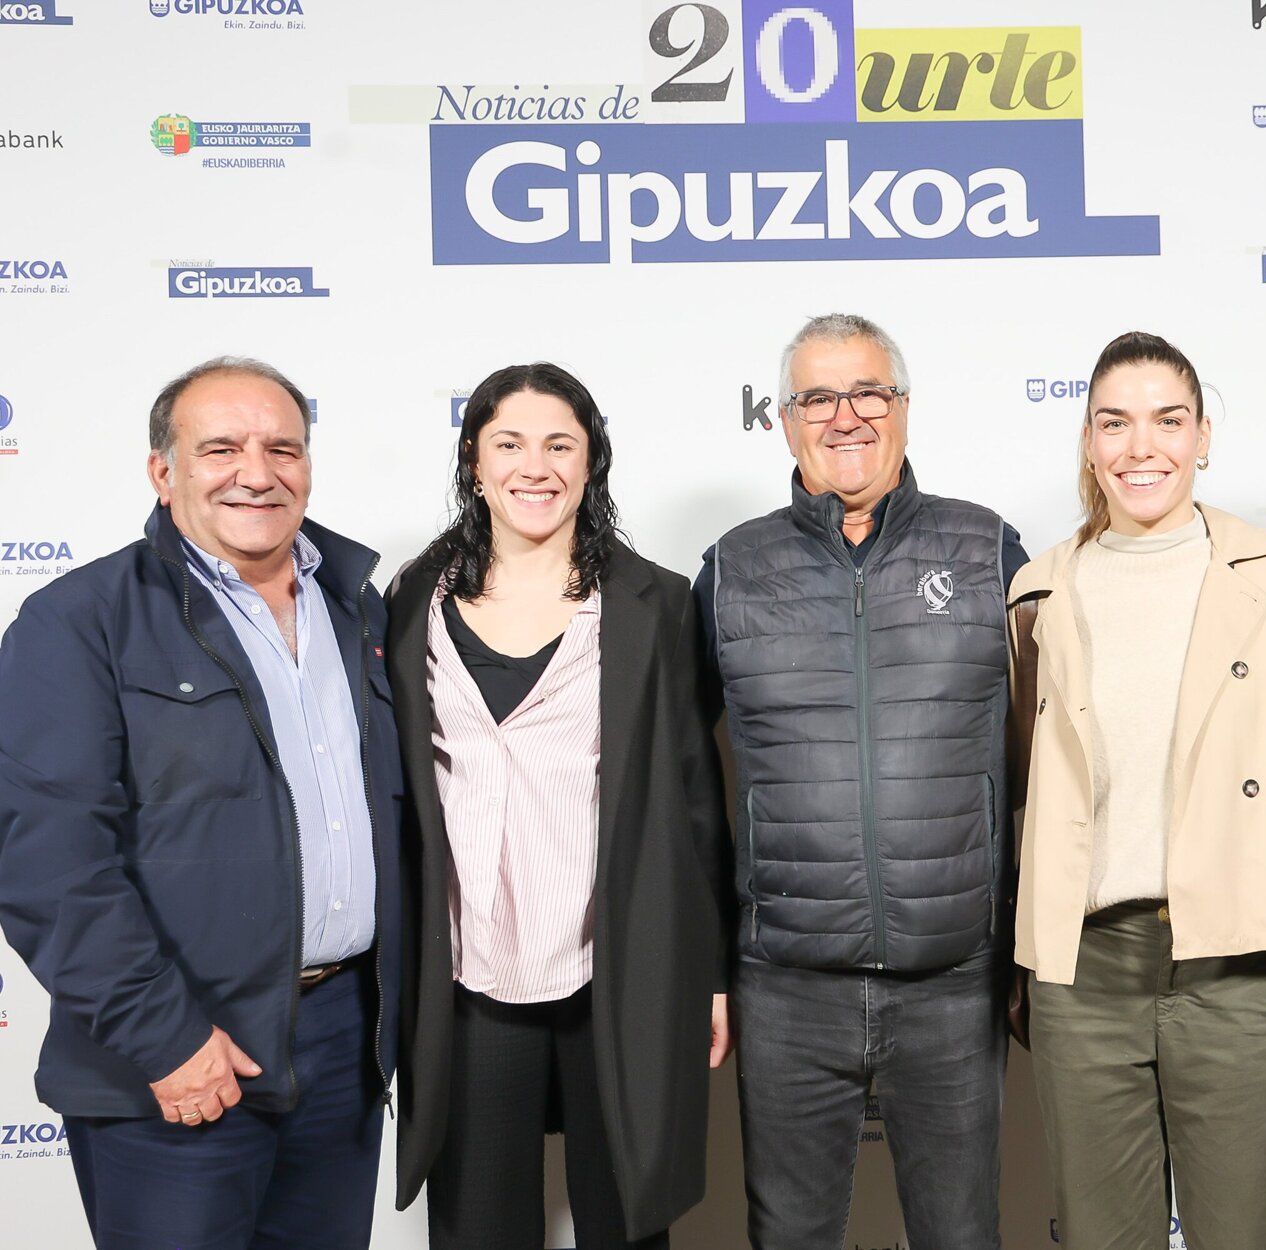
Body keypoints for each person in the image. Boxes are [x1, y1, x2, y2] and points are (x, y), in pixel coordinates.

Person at [0, 357, 402, 1249]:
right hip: (175, 1057)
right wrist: (166, 1041)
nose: (256, 473)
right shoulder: (77, 620)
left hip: (340, 1042)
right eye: (219, 448)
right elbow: (50, 863)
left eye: (281, 448)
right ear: (162, 470)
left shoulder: (356, 609)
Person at [1006, 331, 1266, 1250]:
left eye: (1168, 421)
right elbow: (1021, 768)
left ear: (1204, 435)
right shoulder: (1037, 593)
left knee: (1242, 1235)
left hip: (1234, 959)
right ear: (1087, 442)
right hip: (1084, 971)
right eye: (1115, 423)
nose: (1142, 448)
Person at [693, 313, 1028, 1249]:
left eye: (868, 392)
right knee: (791, 1237)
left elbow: (1050, 762)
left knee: (960, 1236)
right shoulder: (730, 570)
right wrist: (703, 967)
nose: (845, 416)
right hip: (787, 988)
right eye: (816, 397)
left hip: (954, 981)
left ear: (904, 409)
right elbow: (679, 783)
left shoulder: (988, 551)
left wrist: (1025, 953)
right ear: (784, 420)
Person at [386, 362, 731, 1250]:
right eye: (508, 443)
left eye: (558, 445)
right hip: (466, 977)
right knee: (478, 1227)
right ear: (473, 460)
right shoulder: (410, 600)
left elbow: (696, 800)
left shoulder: (655, 605)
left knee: (624, 1221)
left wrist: (715, 969)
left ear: (590, 462)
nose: (532, 466)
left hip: (614, 967)